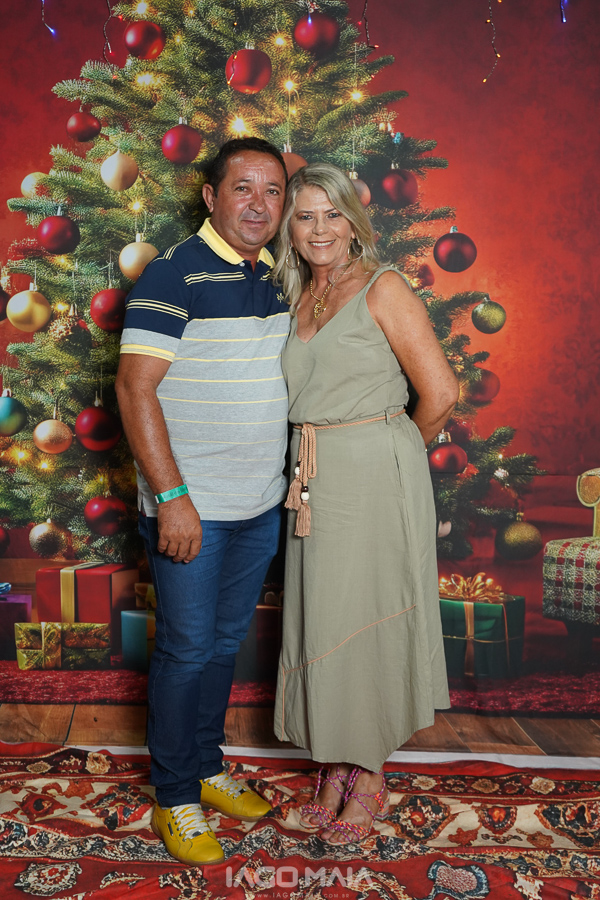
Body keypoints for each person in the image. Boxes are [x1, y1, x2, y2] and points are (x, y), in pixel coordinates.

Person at [271, 162, 457, 845]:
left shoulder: (384, 287)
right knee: (324, 619)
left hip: (375, 473)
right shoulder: (297, 295)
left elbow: (440, 394)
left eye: (333, 214)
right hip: (312, 475)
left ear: (354, 223)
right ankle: (332, 767)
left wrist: (389, 454)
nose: (320, 229)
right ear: (290, 230)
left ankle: (369, 774)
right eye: (305, 216)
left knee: (368, 618)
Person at [115, 138, 289, 865]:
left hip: (259, 504)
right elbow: (135, 388)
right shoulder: (174, 271)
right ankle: (175, 796)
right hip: (193, 506)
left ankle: (207, 765)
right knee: (186, 650)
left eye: (273, 190)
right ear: (212, 196)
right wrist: (173, 498)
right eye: (243, 187)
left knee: (222, 644)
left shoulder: (279, 273)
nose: (259, 204)